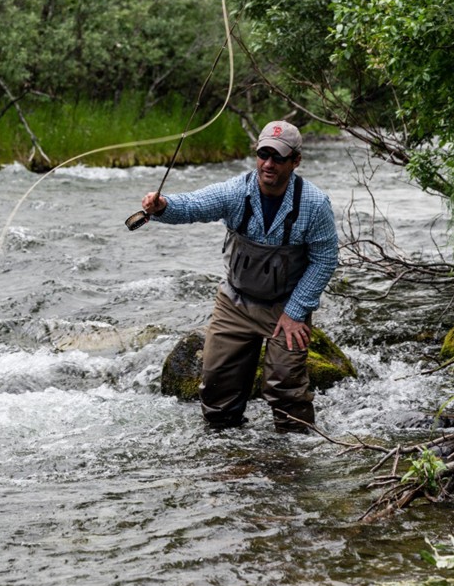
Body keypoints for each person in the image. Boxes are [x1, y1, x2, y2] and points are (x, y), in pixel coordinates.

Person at [141, 119, 339, 433]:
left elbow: (325, 260)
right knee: (217, 390)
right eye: (263, 154)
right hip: (235, 302)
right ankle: (227, 453)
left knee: (285, 388)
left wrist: (296, 311)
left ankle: (296, 453)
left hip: (285, 307)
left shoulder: (315, 204)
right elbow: (194, 205)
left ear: (296, 161)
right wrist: (163, 206)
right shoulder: (236, 191)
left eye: (278, 157)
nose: (268, 164)